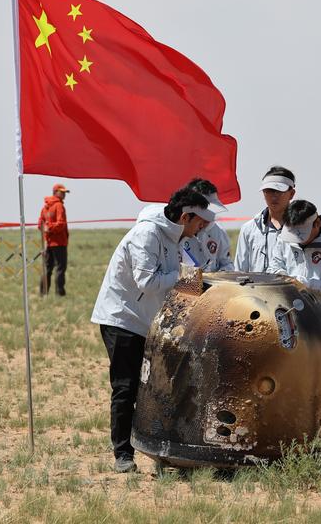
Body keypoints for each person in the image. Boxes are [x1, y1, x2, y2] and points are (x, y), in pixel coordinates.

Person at [91, 187, 214, 473]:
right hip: (122, 319)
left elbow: (179, 281)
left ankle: (159, 448)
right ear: (185, 217)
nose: (201, 230)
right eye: (199, 223)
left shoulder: (177, 238)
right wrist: (188, 279)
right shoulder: (146, 235)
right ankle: (123, 454)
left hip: (150, 321)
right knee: (126, 387)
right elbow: (146, 281)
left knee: (155, 387)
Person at [268, 200, 321, 361]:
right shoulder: (285, 240)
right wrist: (283, 278)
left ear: (316, 224)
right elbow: (273, 267)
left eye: (302, 233)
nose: (298, 239)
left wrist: (309, 285)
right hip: (290, 329)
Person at [234, 166, 296, 272]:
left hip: (291, 288)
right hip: (257, 288)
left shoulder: (303, 227)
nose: (274, 196)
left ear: (291, 194)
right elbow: (239, 270)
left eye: (279, 191)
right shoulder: (249, 229)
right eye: (269, 191)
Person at [181, 178, 232, 272]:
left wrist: (220, 274)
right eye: (206, 211)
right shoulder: (177, 232)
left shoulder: (218, 231)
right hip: (185, 285)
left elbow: (227, 263)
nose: (209, 216)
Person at [38, 183, 70, 296]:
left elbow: (40, 225)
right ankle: (60, 294)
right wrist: (50, 228)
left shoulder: (45, 207)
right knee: (60, 268)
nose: (64, 194)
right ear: (55, 192)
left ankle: (43, 293)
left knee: (48, 268)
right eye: (62, 192)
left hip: (49, 243)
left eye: (65, 192)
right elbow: (61, 224)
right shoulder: (59, 206)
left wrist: (47, 228)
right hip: (59, 242)